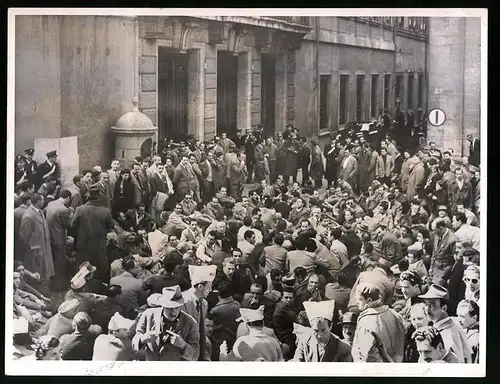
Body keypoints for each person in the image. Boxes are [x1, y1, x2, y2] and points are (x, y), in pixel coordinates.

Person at [132, 285, 200, 361]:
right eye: (169, 307)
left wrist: (183, 345)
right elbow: (135, 340)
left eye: (177, 307)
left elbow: (195, 355)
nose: (173, 311)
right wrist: (143, 338)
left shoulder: (190, 323)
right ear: (163, 305)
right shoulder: (148, 315)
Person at [351, 283, 405, 362]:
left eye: (359, 299)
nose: (357, 302)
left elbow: (368, 355)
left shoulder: (366, 321)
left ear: (369, 300)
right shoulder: (394, 314)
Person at [418, 284, 472, 363]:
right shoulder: (452, 327)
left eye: (432, 305)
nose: (427, 309)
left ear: (444, 308)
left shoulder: (447, 333)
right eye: (426, 304)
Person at [456, 300, 480, 364]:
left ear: (474, 318)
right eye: (458, 315)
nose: (459, 319)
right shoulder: (466, 328)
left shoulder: (475, 340)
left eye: (462, 316)